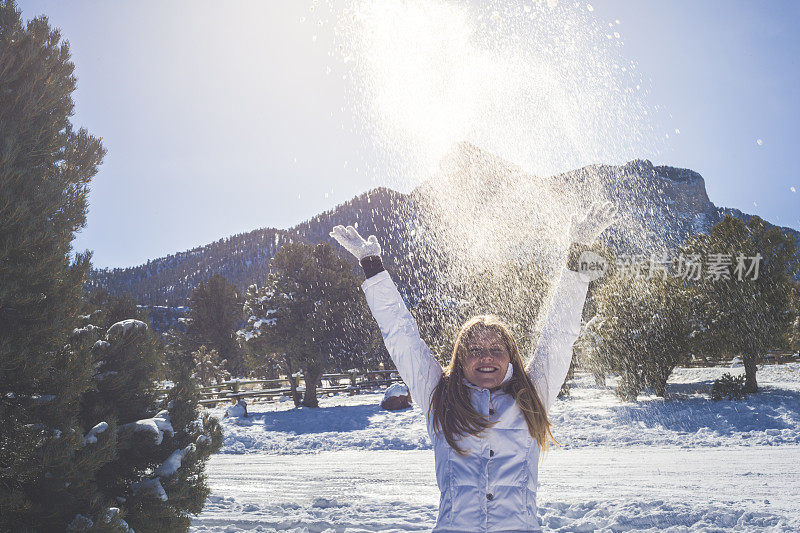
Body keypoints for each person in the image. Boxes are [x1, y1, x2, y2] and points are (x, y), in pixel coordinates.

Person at [329, 201, 618, 532]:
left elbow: (560, 334)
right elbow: (402, 337)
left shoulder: (532, 395)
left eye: (497, 349)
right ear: (460, 358)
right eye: (475, 350)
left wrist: (578, 254)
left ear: (511, 356)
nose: (487, 357)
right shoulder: (439, 398)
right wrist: (372, 266)